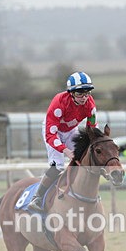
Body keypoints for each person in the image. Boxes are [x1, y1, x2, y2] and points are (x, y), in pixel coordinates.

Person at [27, 71, 98, 213]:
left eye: (87, 93)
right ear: (71, 93)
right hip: (54, 131)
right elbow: (50, 135)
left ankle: (82, 192)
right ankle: (37, 197)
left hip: (71, 131)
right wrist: (65, 150)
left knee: (84, 158)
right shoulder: (59, 102)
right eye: (80, 93)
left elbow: (91, 130)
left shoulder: (90, 105)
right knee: (58, 166)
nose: (84, 97)